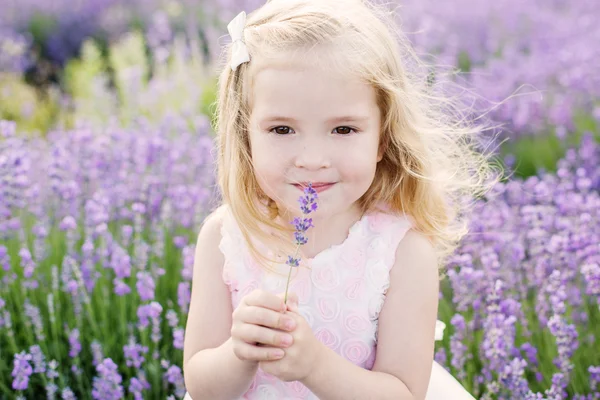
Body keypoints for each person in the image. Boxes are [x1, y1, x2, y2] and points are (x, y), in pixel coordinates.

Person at [183, 0, 493, 398]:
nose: (312, 160)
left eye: (344, 130)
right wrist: (238, 354)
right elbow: (202, 385)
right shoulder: (226, 238)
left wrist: (316, 367)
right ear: (247, 136)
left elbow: (403, 392)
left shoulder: (402, 252)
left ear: (382, 138)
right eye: (282, 129)